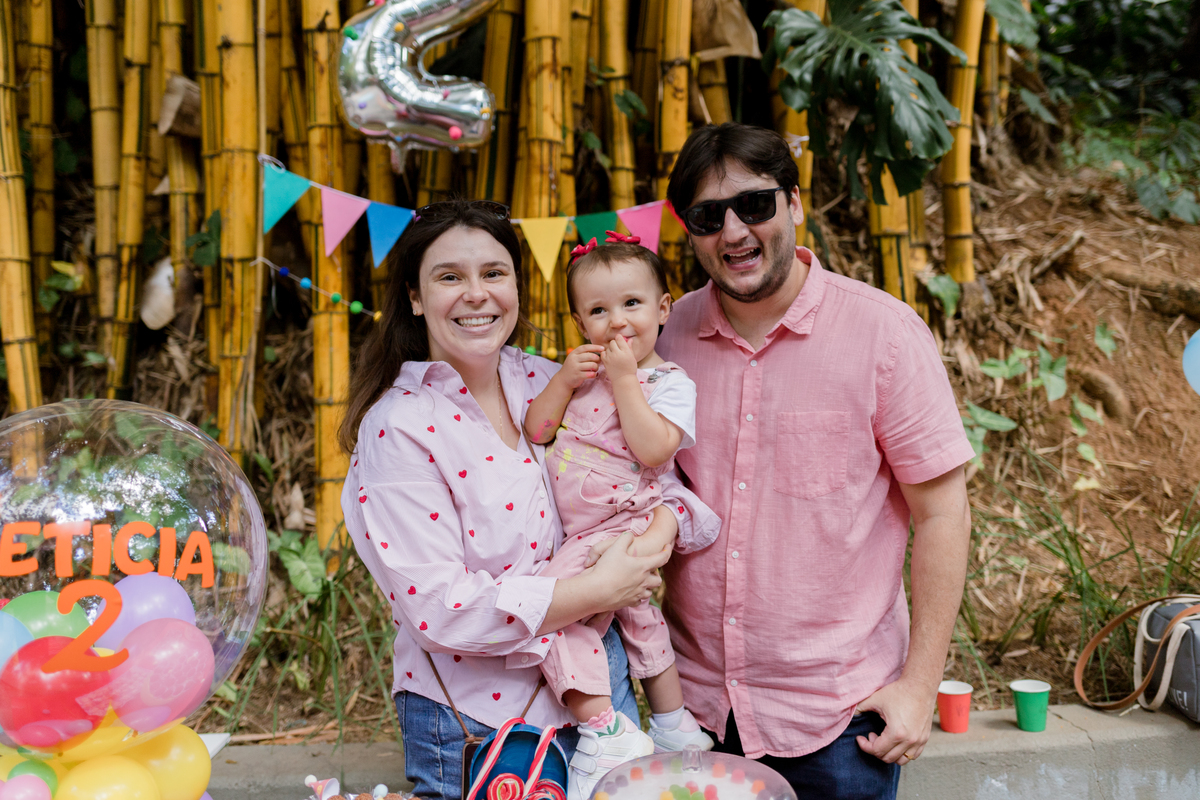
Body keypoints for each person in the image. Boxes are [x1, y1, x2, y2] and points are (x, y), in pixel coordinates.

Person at [337, 200, 708, 800]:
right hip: (479, 716)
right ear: (415, 297)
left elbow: (647, 469)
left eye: (493, 273)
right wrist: (598, 589)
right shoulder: (398, 427)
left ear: (516, 286)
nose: (476, 293)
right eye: (449, 276)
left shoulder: (551, 379)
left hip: (601, 686)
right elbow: (438, 607)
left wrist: (661, 528)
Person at [656, 122, 975, 800]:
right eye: (708, 217)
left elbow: (943, 512)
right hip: (693, 713)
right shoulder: (666, 336)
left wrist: (920, 688)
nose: (734, 232)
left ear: (794, 203)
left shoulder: (884, 333)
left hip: (839, 721)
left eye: (754, 205)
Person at [524, 234, 720, 800]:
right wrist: (563, 380)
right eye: (598, 310)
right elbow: (537, 430)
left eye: (632, 304)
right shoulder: (581, 376)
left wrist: (627, 380)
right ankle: (672, 723)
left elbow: (655, 448)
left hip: (624, 521)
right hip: (585, 531)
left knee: (550, 610)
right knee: (639, 621)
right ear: (579, 322)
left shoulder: (669, 383)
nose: (617, 321)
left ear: (663, 309)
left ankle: (603, 728)